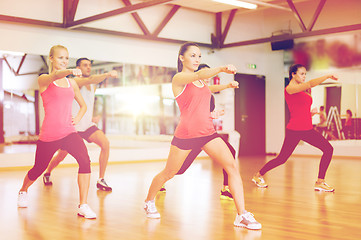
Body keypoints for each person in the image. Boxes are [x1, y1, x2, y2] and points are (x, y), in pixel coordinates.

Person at [143, 42, 261, 230]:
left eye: (199, 56)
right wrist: (222, 68)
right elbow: (199, 75)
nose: (197, 59)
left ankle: (241, 215)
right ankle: (149, 201)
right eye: (193, 56)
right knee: (170, 172)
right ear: (182, 58)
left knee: (232, 166)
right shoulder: (179, 78)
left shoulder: (200, 83)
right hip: (187, 134)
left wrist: (227, 85)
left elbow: (207, 89)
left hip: (207, 133)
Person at [17, 45, 96, 219]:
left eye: (66, 58)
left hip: (69, 132)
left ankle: (83, 205)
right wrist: (69, 70)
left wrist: (77, 118)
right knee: (39, 168)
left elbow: (83, 105)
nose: (64, 61)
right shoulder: (44, 79)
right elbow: (55, 75)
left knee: (85, 161)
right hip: (49, 135)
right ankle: (23, 190)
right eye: (60, 58)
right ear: (51, 58)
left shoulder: (71, 83)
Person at [252, 64, 338, 192]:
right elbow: (309, 84)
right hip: (295, 130)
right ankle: (258, 175)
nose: (304, 76)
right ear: (293, 74)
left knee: (328, 149)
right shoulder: (290, 88)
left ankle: (320, 182)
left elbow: (299, 110)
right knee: (282, 159)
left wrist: (311, 114)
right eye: (301, 73)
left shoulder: (300, 90)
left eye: (305, 74)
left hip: (307, 129)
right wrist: (326, 76)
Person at [159, 63, 239, 201]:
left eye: (209, 73)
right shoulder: (191, 87)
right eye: (205, 73)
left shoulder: (207, 91)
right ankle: (162, 178)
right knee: (180, 169)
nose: (208, 77)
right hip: (193, 135)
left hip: (207, 134)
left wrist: (214, 112)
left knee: (230, 151)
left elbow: (211, 91)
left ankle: (225, 188)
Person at [42, 58, 117, 191]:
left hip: (87, 125)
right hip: (73, 127)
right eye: (85, 65)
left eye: (89, 65)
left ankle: (101, 179)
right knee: (61, 155)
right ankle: (48, 172)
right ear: (78, 67)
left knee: (105, 144)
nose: (88, 67)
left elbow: (89, 102)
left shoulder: (93, 85)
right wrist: (107, 74)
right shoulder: (76, 82)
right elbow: (89, 79)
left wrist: (94, 115)